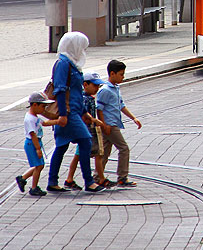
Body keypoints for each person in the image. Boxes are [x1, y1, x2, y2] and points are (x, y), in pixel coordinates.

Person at [46, 31, 103, 193]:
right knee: (85, 141)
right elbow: (60, 90)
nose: (83, 51)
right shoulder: (63, 64)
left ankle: (52, 182)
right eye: (81, 47)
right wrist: (63, 114)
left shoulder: (72, 63)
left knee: (62, 146)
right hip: (69, 113)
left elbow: (77, 91)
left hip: (75, 111)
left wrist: (84, 112)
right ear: (74, 46)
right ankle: (89, 182)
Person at [97, 59, 143, 187]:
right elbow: (99, 109)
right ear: (112, 74)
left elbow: (121, 105)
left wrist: (133, 118)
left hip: (112, 124)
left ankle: (97, 177)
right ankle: (122, 177)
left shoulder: (116, 88)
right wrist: (104, 124)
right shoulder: (105, 90)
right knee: (124, 149)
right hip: (110, 125)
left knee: (104, 153)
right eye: (121, 74)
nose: (123, 77)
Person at [63, 73, 110, 190]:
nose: (97, 89)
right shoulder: (85, 99)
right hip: (87, 131)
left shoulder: (87, 98)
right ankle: (101, 179)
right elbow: (84, 116)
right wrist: (95, 121)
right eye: (95, 86)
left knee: (79, 155)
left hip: (87, 130)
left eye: (98, 86)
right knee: (97, 154)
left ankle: (70, 179)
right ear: (85, 84)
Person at [16, 92, 59, 197]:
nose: (44, 109)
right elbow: (33, 135)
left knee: (39, 165)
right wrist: (38, 149)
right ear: (35, 105)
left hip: (35, 143)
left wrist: (57, 121)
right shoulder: (30, 119)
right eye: (43, 106)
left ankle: (23, 178)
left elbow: (44, 123)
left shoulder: (34, 116)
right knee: (39, 166)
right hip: (32, 143)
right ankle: (34, 187)